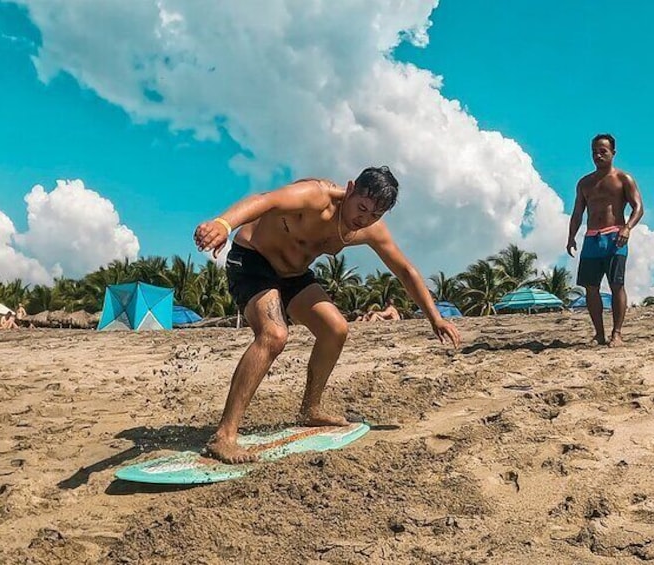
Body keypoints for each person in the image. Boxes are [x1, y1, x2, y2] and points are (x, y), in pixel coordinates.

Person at [193, 166, 461, 463]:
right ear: (349, 189)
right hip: (253, 261)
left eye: (375, 215)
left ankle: (310, 409)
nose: (364, 218)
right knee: (274, 335)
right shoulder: (315, 196)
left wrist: (434, 317)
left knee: (336, 329)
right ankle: (225, 436)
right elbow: (264, 200)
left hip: (294, 274)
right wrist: (223, 224)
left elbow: (405, 270)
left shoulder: (369, 228)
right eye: (361, 207)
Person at [567, 134, 644, 347]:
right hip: (592, 238)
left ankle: (616, 333)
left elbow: (638, 207)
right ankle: (599, 334)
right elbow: (577, 213)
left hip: (615, 236)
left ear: (613, 153)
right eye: (595, 152)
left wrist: (627, 227)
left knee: (616, 284)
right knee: (590, 287)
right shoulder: (585, 183)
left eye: (603, 151)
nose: (598, 155)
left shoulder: (623, 179)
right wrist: (571, 236)